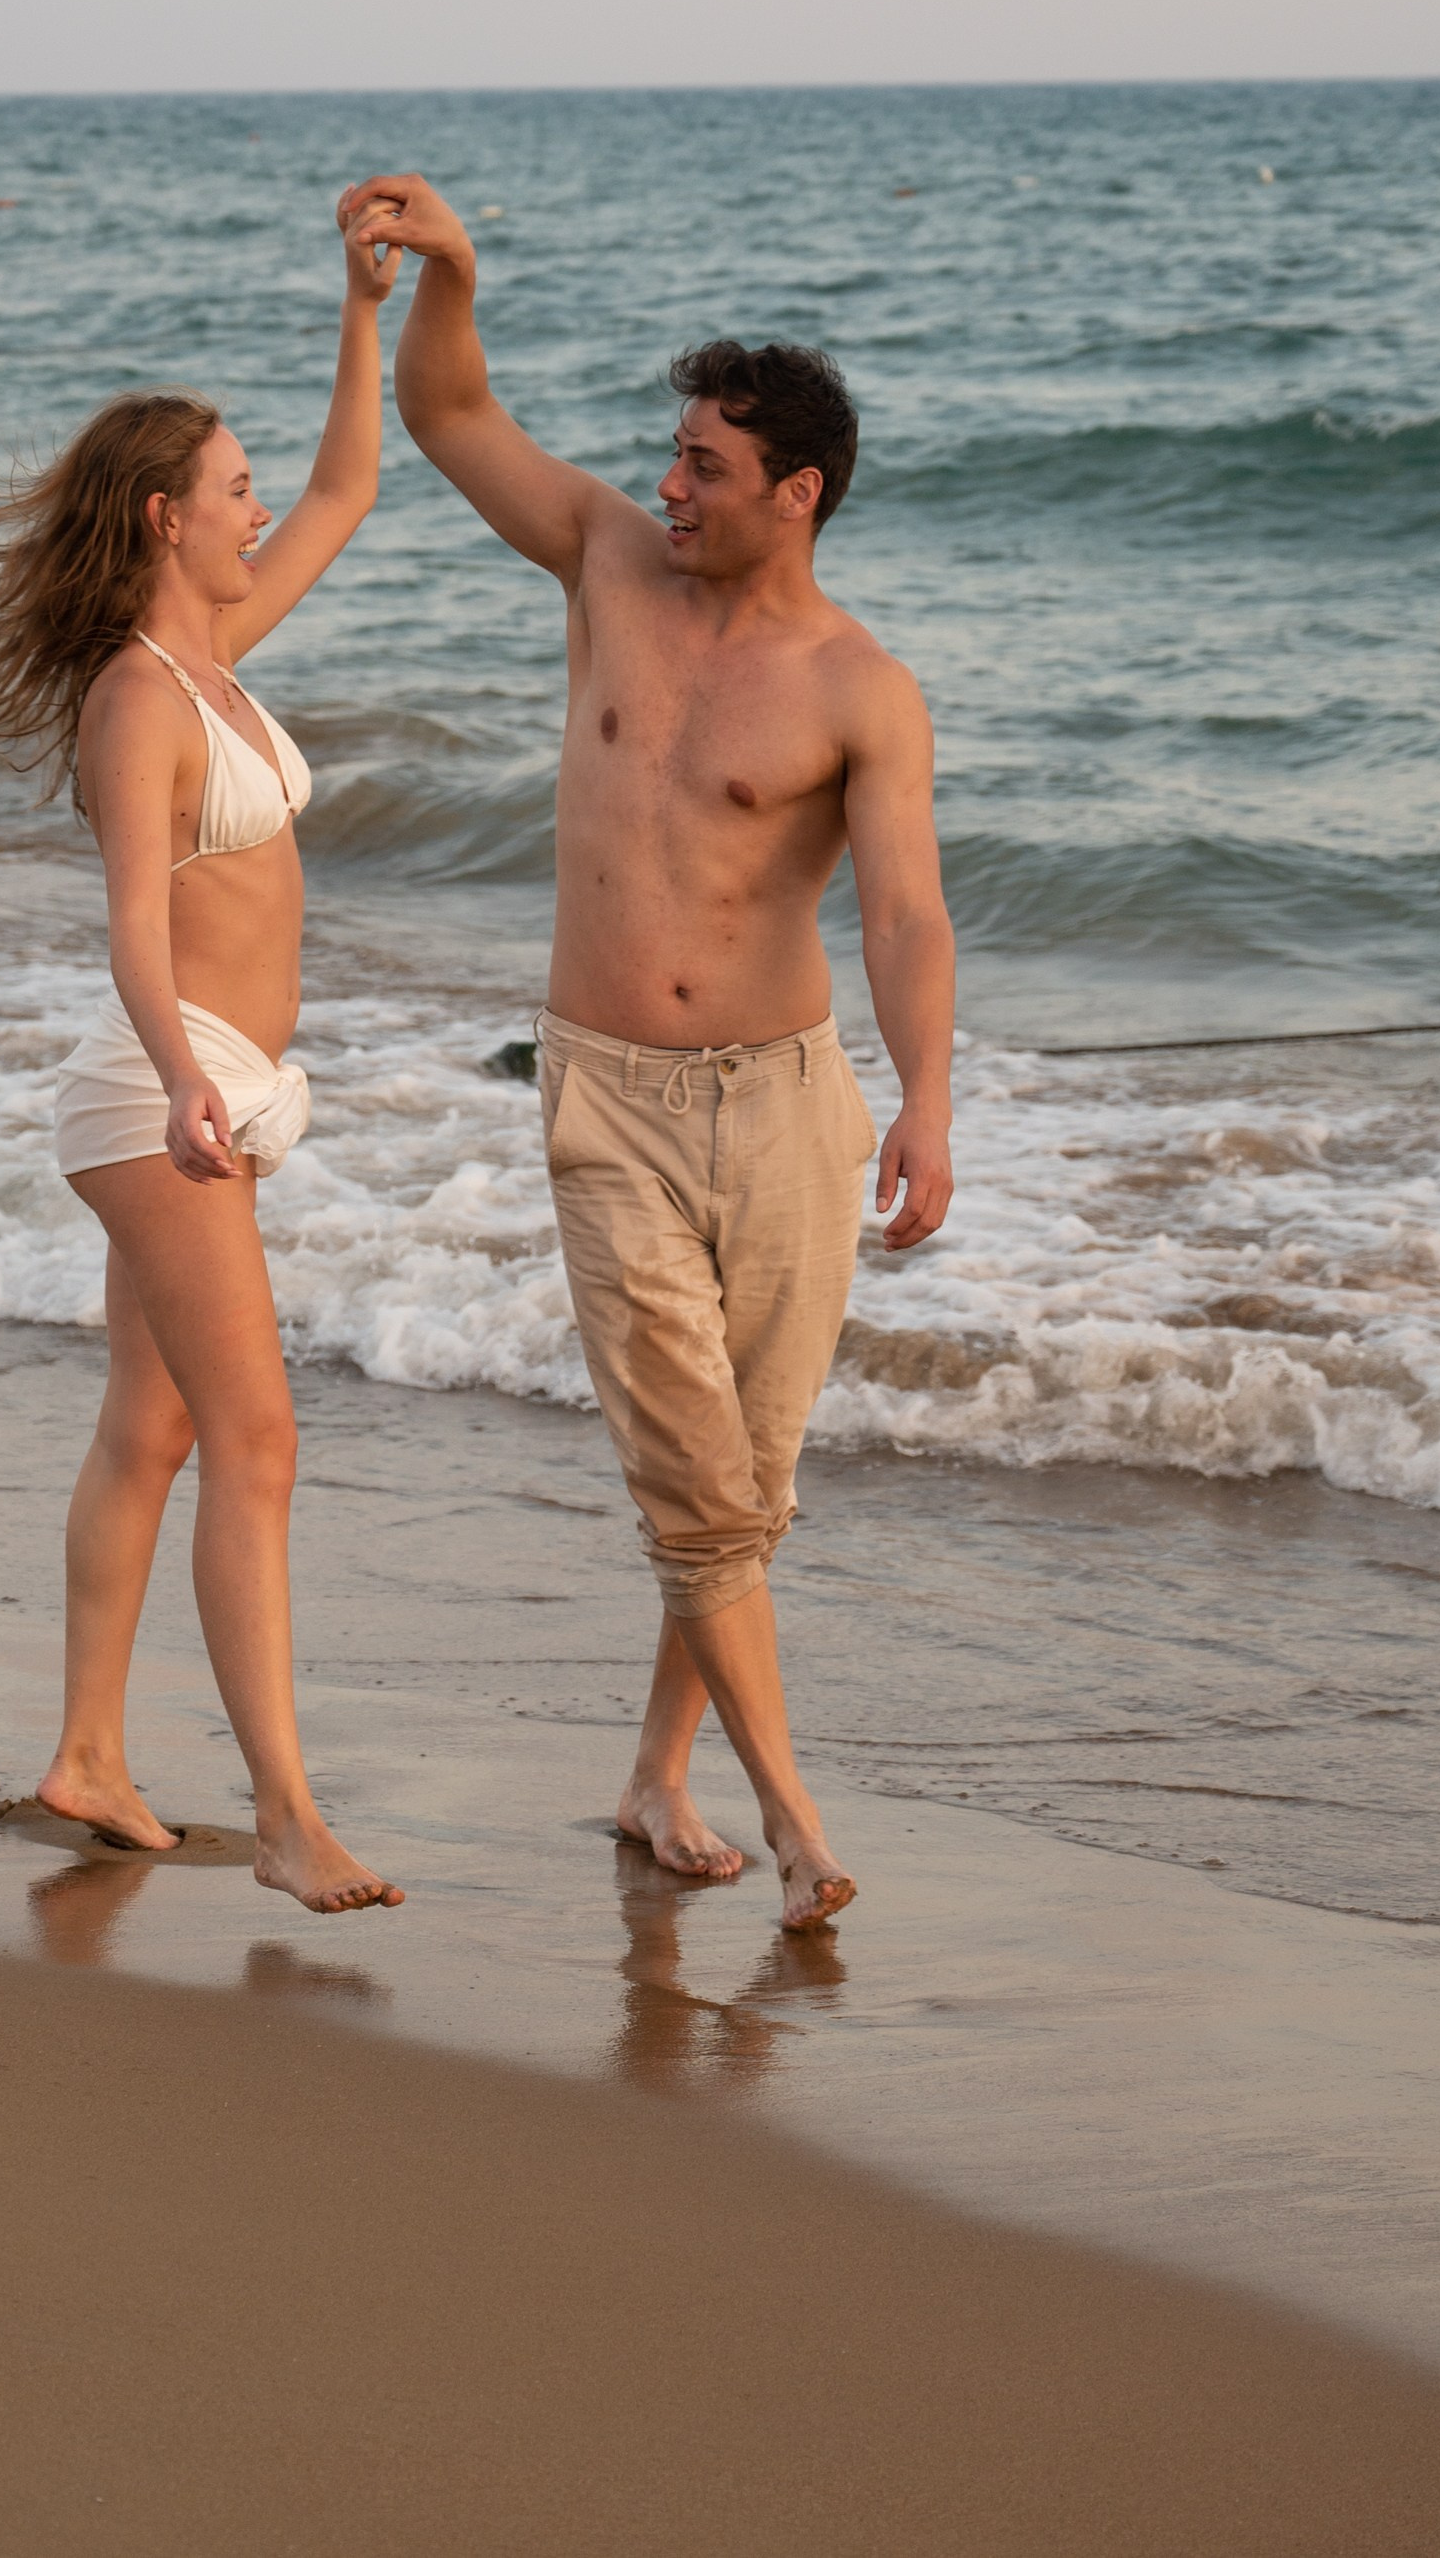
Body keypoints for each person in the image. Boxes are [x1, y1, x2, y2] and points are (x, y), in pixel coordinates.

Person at [340, 171, 955, 1930]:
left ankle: (653, 1775)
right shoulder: (608, 560)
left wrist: (923, 1097)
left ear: (797, 494)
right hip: (605, 1092)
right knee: (694, 1484)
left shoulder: (861, 689)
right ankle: (792, 1812)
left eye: (704, 466)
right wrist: (453, 271)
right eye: (669, 453)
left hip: (788, 1110)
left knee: (742, 1496)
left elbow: (906, 918)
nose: (667, 484)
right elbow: (448, 411)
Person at [0, 216, 404, 1915]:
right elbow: (130, 915)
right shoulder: (138, 696)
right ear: (161, 515)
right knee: (257, 1441)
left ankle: (89, 1759)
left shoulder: (214, 662)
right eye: (232, 484)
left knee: (158, 1428)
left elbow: (354, 487)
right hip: (162, 1084)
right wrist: (181, 1076)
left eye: (252, 482)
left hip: (215, 1083)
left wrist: (363, 307)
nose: (262, 507)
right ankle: (283, 1814)